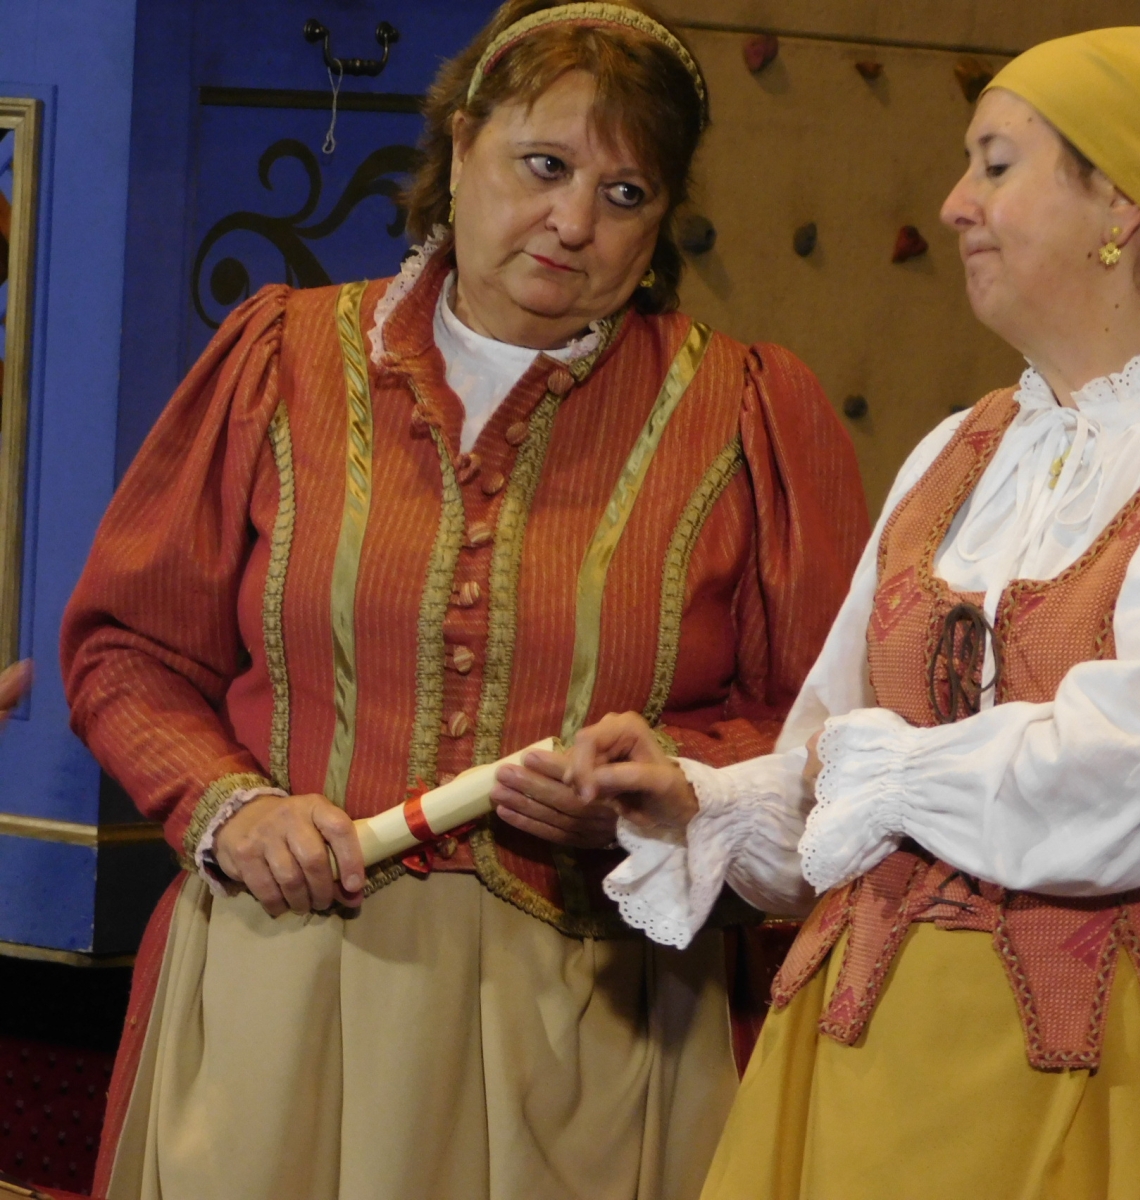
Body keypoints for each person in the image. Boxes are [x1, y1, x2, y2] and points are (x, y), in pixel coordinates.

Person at [60, 3, 868, 1197]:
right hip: (282, 995)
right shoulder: (280, 358)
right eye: (543, 166)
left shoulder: (747, 412)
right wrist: (231, 809)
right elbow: (127, 649)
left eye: (624, 193)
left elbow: (830, 736)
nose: (574, 222)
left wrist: (668, 793)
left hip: (593, 1028)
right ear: (458, 149)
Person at [564, 26, 1140, 1200]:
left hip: (1126, 1067)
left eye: (996, 164)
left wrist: (880, 775)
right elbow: (835, 760)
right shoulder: (959, 450)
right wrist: (709, 801)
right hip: (880, 1063)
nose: (954, 204)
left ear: (1122, 202)